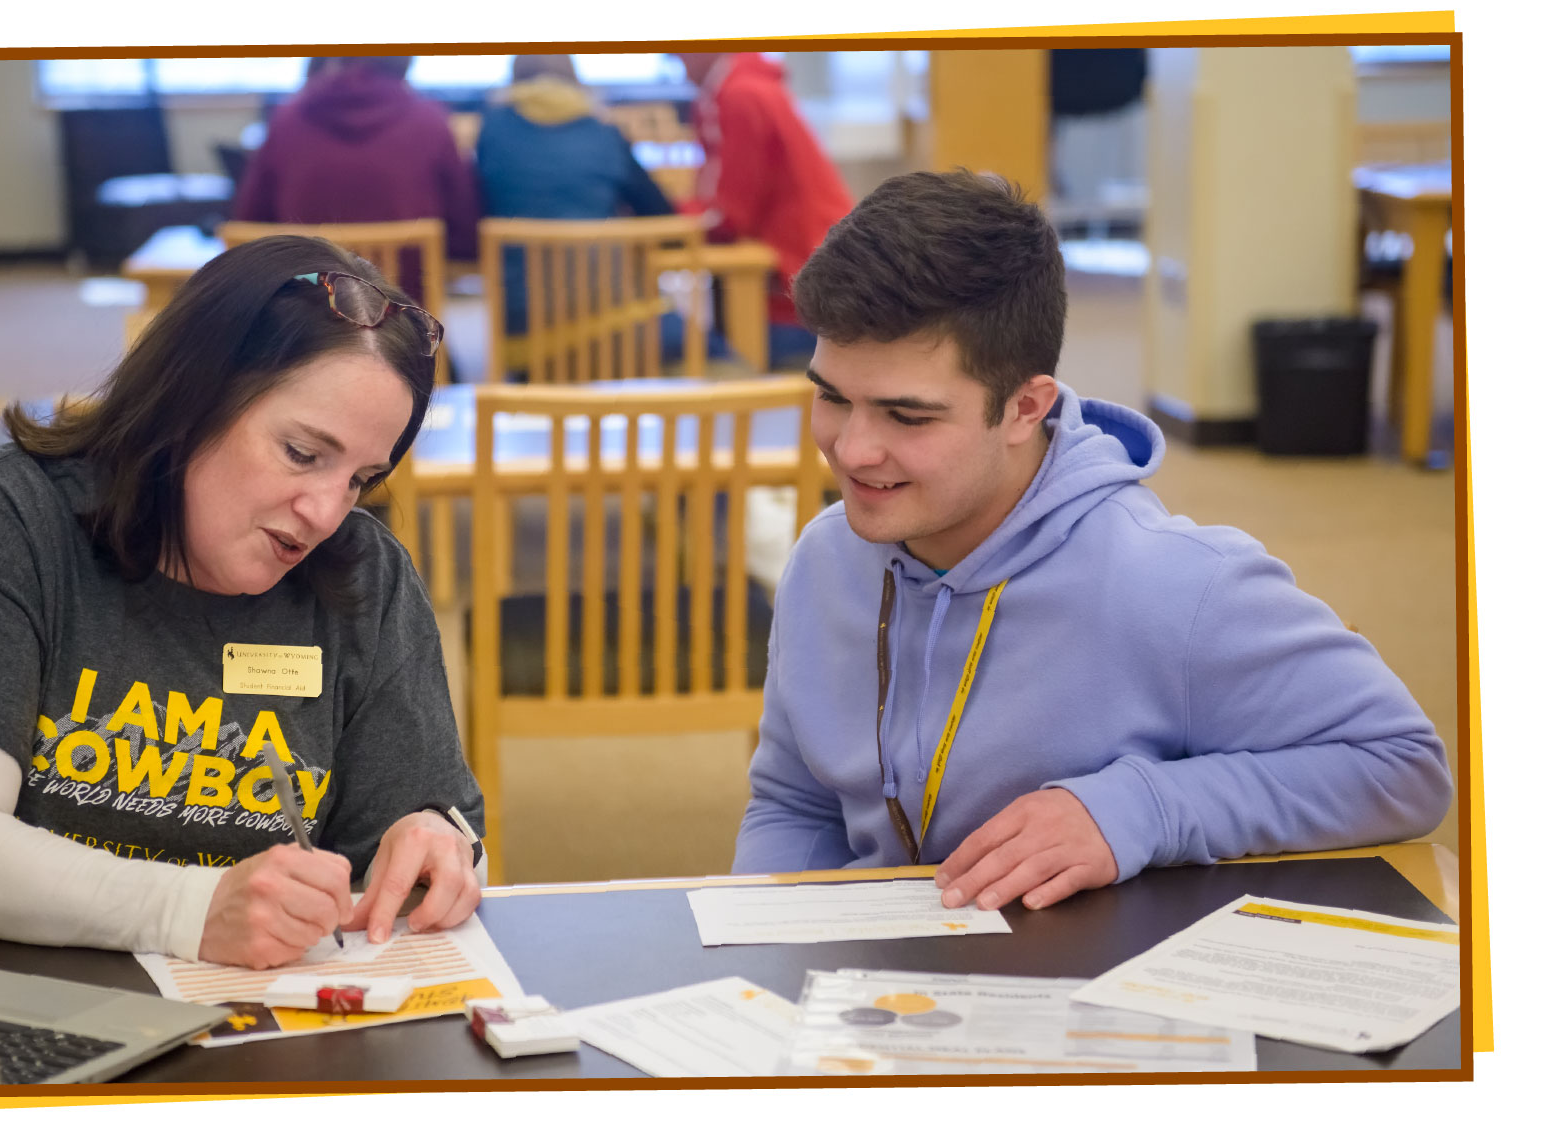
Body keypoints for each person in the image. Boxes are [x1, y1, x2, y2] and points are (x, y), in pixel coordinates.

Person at [732, 171, 1452, 913]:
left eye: (907, 417)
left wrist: (1140, 807)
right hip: (873, 973)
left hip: (1085, 974)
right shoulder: (824, 560)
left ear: (1026, 407)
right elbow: (796, 805)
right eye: (832, 396)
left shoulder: (1173, 585)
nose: (851, 450)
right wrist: (756, 938)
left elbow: (1404, 764)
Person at [0, 235, 484, 971]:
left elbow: (429, 846)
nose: (324, 513)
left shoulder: (365, 575)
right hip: (21, 997)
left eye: (360, 480)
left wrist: (437, 844)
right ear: (190, 400)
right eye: (301, 453)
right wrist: (190, 909)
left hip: (265, 1010)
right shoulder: (0, 517)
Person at [671, 52, 853, 369]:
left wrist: (666, 215)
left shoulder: (737, 94)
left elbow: (728, 214)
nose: (681, 72)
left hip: (795, 292)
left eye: (679, 58)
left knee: (698, 351)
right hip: (821, 272)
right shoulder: (750, 86)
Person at [476, 54, 674, 337]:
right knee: (709, 347)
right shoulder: (603, 133)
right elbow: (661, 216)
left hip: (524, 328)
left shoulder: (493, 131)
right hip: (609, 317)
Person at [232, 56, 479, 265]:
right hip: (406, 301)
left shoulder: (287, 120)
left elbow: (248, 227)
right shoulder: (430, 121)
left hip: (307, 299)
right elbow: (465, 235)